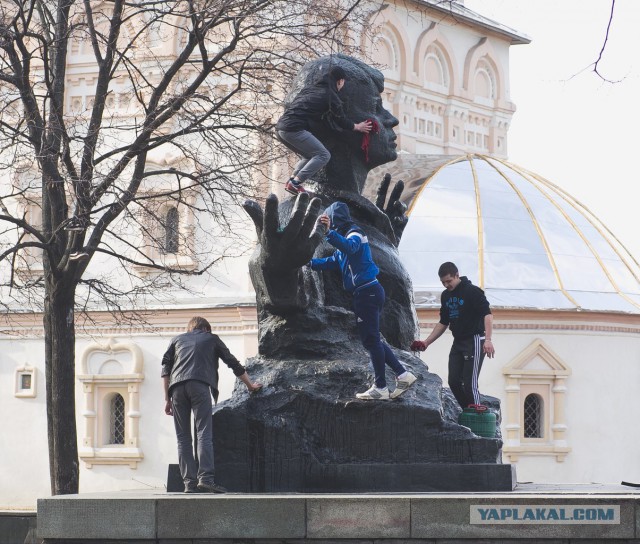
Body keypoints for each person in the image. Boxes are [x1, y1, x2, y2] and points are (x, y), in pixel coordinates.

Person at [309, 201, 417, 400]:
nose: (329, 225)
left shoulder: (355, 233)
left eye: (330, 220)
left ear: (335, 219)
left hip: (368, 292)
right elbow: (331, 261)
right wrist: (308, 262)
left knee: (371, 340)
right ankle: (403, 374)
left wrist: (328, 233)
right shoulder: (344, 241)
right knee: (372, 338)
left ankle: (381, 387)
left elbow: (351, 247)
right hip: (366, 293)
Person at [162, 316, 262, 493]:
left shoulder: (176, 340)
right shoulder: (212, 339)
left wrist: (166, 399)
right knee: (203, 434)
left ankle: (188, 484)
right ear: (206, 329)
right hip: (199, 386)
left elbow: (165, 369)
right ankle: (206, 479)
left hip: (176, 389)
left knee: (183, 438)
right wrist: (250, 385)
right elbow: (233, 363)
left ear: (190, 328)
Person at [276, 65, 372, 195]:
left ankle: (292, 180)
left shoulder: (309, 89)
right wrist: (357, 127)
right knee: (323, 155)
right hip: (293, 129)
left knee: (309, 155)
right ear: (340, 81)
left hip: (280, 128)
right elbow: (341, 120)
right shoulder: (331, 96)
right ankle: (296, 183)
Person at [411, 262, 494, 409]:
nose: (446, 285)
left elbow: (487, 314)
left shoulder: (472, 291)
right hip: (458, 341)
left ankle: (477, 414)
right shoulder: (446, 296)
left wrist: (488, 340)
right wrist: (427, 342)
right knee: (454, 381)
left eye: (449, 281)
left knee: (470, 383)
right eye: (443, 283)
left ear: (457, 275)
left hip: (474, 340)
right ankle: (467, 410)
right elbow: (443, 322)